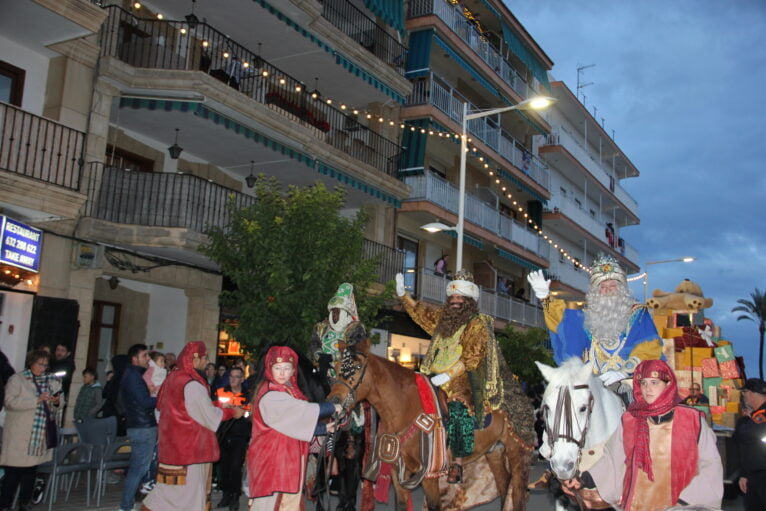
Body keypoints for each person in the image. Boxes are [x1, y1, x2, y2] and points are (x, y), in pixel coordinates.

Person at [395, 270, 527, 483]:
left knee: (458, 408)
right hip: (432, 372)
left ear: (468, 301)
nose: (455, 301)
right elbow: (422, 313)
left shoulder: (478, 324)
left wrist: (448, 375)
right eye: (453, 297)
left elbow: (472, 358)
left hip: (461, 377)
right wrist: (404, 295)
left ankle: (456, 462)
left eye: (460, 297)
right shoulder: (443, 319)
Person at [563, 360, 723, 511]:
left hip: (681, 504)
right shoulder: (630, 420)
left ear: (668, 385)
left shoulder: (693, 421)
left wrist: (685, 502)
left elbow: (710, 464)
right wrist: (583, 479)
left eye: (654, 383)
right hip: (639, 503)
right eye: (643, 383)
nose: (648, 389)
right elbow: (613, 459)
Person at [528, 254, 663, 389]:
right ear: (596, 292)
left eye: (612, 286)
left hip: (630, 381)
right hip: (593, 384)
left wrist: (622, 373)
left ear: (621, 288)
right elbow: (565, 322)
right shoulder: (588, 317)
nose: (608, 290)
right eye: (602, 287)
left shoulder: (638, 314)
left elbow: (648, 348)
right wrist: (545, 296)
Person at [142, 341, 244, 511]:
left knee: (164, 497)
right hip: (190, 452)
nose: (206, 362)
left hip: (170, 449)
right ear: (195, 359)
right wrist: (232, 412)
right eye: (204, 358)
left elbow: (178, 409)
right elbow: (208, 417)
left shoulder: (172, 378)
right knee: (189, 499)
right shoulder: (192, 384)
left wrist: (217, 405)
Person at [247, 345, 340, 510]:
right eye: (278, 368)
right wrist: (331, 408)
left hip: (286, 462)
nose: (282, 373)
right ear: (270, 369)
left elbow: (291, 422)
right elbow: (300, 412)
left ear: (293, 371)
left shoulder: (288, 391)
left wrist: (323, 429)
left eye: (286, 368)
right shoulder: (271, 394)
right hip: (273, 465)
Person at [309, 283, 367, 510]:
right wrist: (318, 357)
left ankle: (353, 441)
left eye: (338, 310)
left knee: (355, 419)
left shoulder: (355, 328)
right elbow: (312, 346)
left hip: (347, 384)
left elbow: (359, 354)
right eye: (332, 310)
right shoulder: (321, 327)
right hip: (323, 380)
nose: (334, 314)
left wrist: (339, 361)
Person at [0, 350, 61, 511]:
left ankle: (24, 504)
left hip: (37, 434)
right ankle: (5, 504)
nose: (43, 368)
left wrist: (56, 401)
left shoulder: (51, 380)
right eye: (40, 364)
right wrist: (36, 400)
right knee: (13, 473)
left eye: (46, 365)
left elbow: (60, 401)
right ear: (31, 363)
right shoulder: (17, 379)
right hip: (18, 433)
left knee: (30, 472)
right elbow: (9, 402)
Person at [119, 344, 157, 511]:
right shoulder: (133, 377)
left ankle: (127, 505)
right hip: (142, 427)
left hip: (138, 425)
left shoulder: (133, 376)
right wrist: (161, 397)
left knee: (137, 468)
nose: (148, 358)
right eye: (144, 355)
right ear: (135, 359)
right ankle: (126, 506)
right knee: (138, 469)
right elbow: (145, 403)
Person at [213, 366, 250, 510]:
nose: (233, 379)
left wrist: (243, 413)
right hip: (223, 434)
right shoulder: (221, 392)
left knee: (235, 467)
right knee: (224, 467)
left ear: (242, 379)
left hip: (240, 436)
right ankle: (226, 495)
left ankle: (235, 496)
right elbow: (215, 410)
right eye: (231, 376)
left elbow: (250, 415)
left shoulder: (248, 395)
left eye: (236, 377)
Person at [734, 378, 766, 511]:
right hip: (754, 475)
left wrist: (743, 421)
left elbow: (745, 435)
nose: (744, 397)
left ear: (752, 393)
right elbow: (749, 448)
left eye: (744, 393)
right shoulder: (754, 416)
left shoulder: (760, 416)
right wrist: (744, 473)